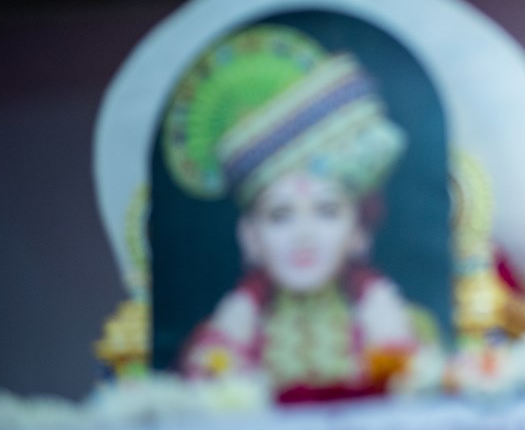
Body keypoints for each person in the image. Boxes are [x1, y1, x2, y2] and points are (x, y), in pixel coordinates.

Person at [162, 24, 435, 397]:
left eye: (326, 211)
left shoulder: (407, 330)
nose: (303, 236)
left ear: (359, 232)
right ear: (250, 237)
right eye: (280, 215)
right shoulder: (215, 347)